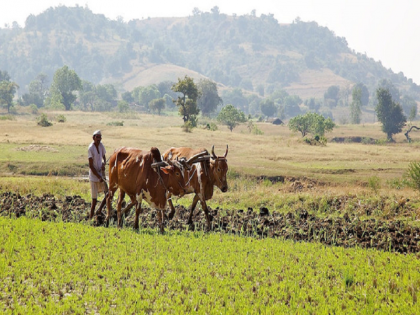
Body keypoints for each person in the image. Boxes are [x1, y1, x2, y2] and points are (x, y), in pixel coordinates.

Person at [88, 130, 108, 218]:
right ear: (93, 138)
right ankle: (90, 218)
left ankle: (99, 210)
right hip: (94, 176)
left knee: (107, 194)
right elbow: (91, 166)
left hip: (101, 175)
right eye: (97, 137)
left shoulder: (101, 145)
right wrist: (98, 176)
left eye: (100, 137)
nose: (99, 139)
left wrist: (104, 163)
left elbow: (104, 157)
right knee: (94, 201)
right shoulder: (90, 148)